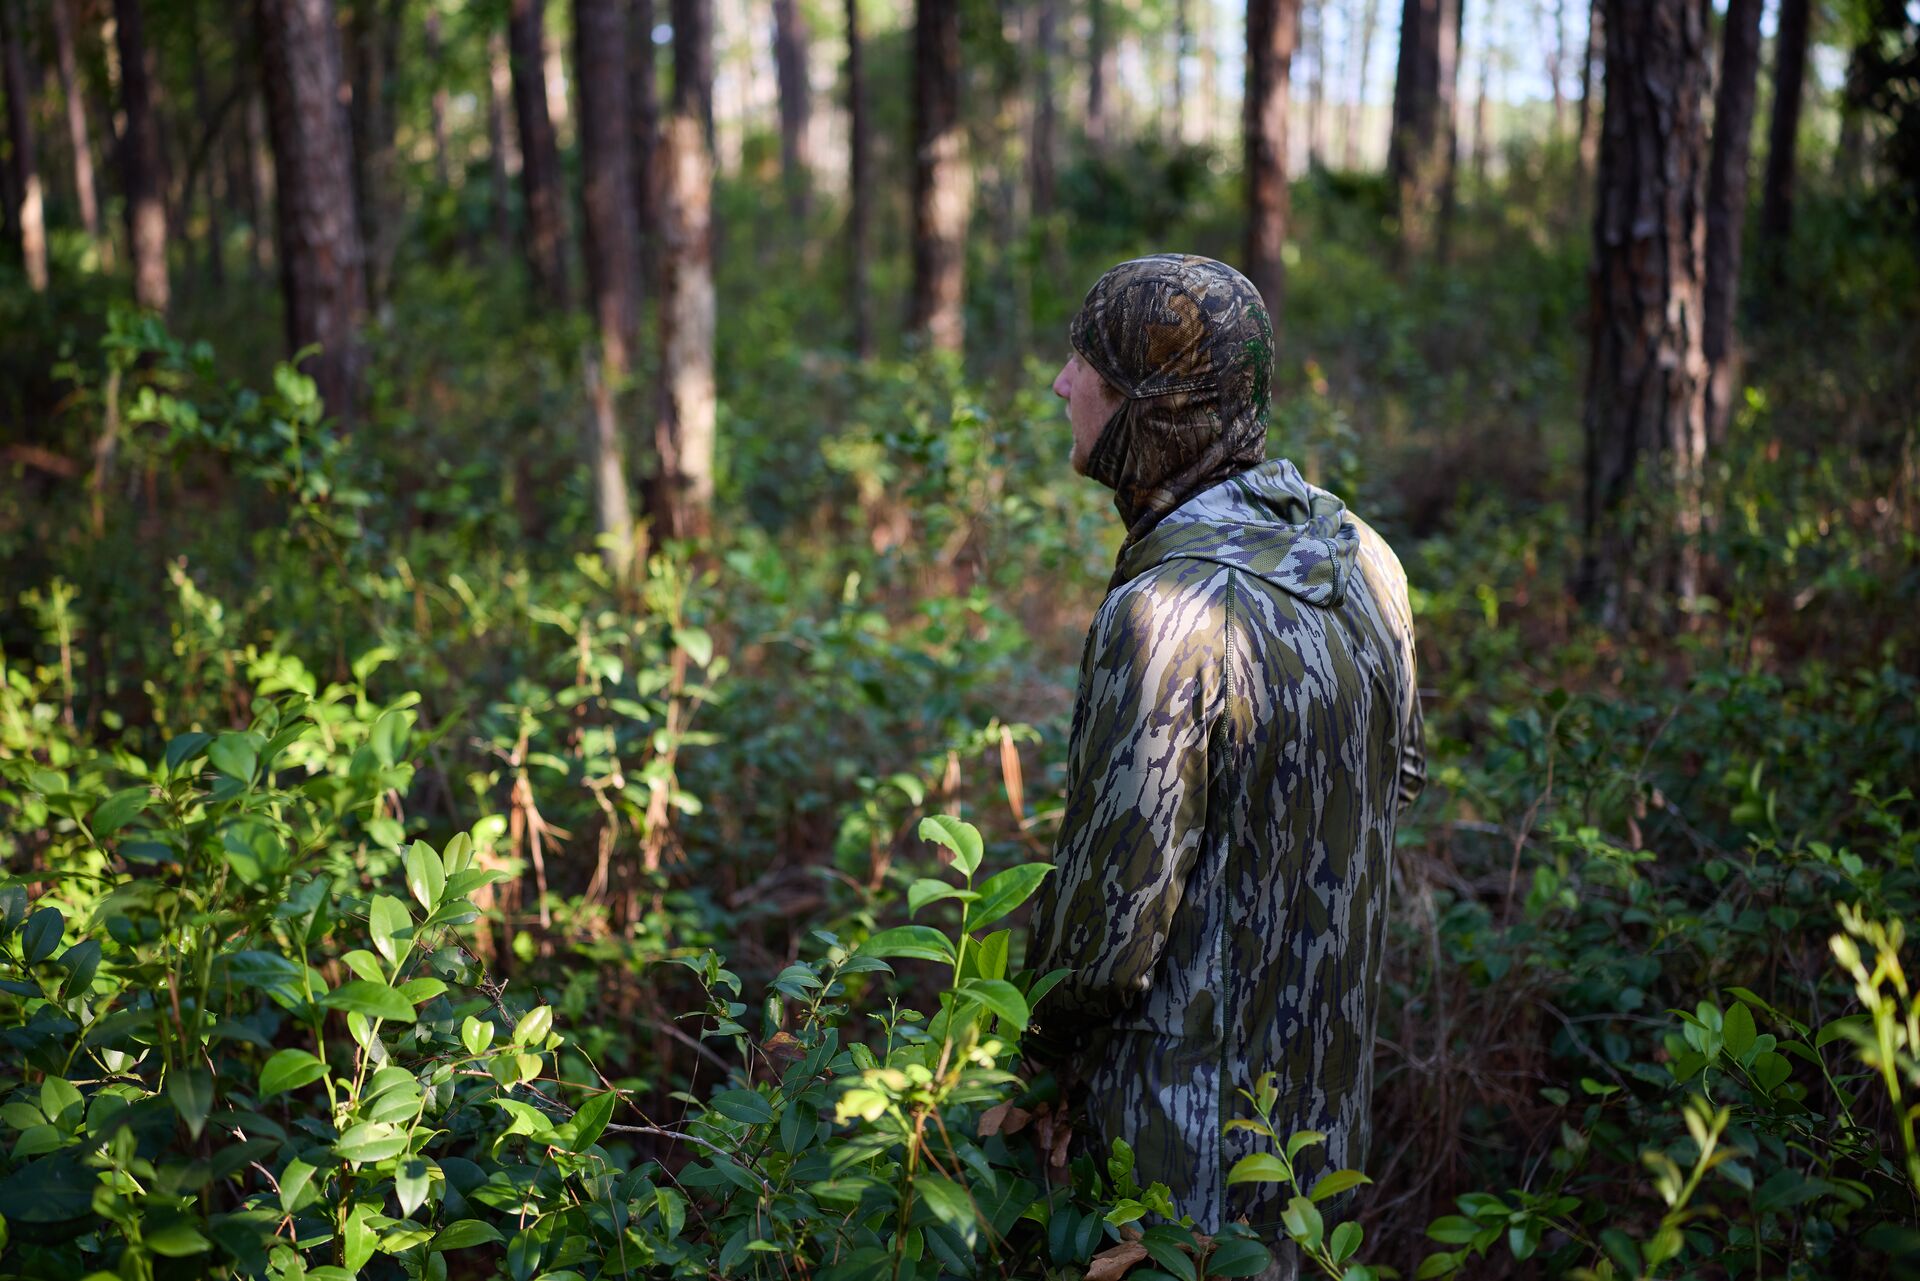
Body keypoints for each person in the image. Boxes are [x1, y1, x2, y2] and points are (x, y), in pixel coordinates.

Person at [1023, 254, 1425, 1275]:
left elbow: (1109, 938)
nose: (1062, 384)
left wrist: (1029, 1072)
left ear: (1150, 409)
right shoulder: (1368, 560)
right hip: (1319, 1170)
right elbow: (1394, 794)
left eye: (1091, 365)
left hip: (1178, 1168)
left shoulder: (1163, 617)